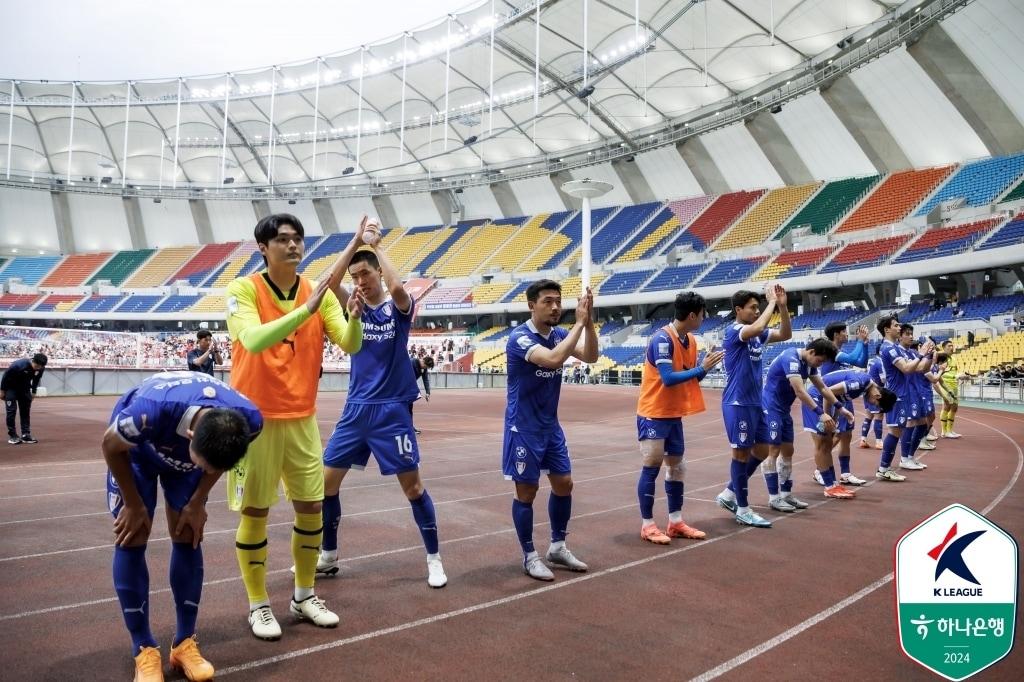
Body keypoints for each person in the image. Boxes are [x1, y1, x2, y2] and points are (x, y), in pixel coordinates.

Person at [226, 213, 363, 640]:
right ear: (263, 248)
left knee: (311, 509)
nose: (293, 245)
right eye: (282, 239)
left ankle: (304, 596)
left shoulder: (318, 294)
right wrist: (304, 310)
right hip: (254, 421)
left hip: (302, 419)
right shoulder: (243, 289)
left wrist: (354, 316)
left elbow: (349, 343)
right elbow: (252, 340)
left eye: (298, 239)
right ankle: (258, 604)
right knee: (256, 512)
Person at [104, 371, 262, 682]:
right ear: (190, 435)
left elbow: (216, 463)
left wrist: (198, 500)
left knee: (189, 533)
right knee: (132, 534)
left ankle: (184, 643)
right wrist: (133, 504)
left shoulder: (250, 421)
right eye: (204, 465)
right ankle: (143, 648)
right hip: (135, 454)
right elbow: (110, 446)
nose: (208, 471)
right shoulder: (148, 410)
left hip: (185, 462)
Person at [319, 219, 447, 588]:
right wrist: (356, 241)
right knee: (326, 485)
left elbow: (395, 286)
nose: (360, 281)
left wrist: (376, 246)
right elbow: (330, 282)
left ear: (377, 269)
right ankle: (328, 554)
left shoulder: (398, 309)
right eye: (356, 275)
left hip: (391, 411)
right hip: (356, 409)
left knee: (414, 489)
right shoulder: (353, 307)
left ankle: (434, 559)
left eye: (365, 274)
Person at [504, 279, 598, 580]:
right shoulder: (519, 338)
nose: (556, 306)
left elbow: (592, 356)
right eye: (547, 301)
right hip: (523, 428)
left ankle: (557, 546)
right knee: (527, 491)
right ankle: (529, 555)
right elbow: (554, 359)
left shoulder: (558, 333)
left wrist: (589, 323)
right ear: (532, 305)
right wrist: (578, 325)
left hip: (550, 426)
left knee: (564, 484)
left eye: (558, 300)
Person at [635, 292, 724, 545]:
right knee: (651, 465)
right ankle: (648, 525)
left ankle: (675, 522)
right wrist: (702, 368)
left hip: (674, 413)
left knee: (677, 467)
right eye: (704, 313)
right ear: (693, 315)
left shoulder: (692, 341)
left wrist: (704, 368)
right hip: (654, 412)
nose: (705, 318)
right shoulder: (662, 339)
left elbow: (692, 377)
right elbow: (668, 378)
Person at [714, 284, 792, 528]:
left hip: (755, 402)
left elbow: (785, 334)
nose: (757, 312)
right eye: (752, 308)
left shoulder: (757, 334)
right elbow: (758, 326)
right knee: (740, 453)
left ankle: (728, 494)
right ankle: (743, 509)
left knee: (761, 450)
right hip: (738, 402)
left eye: (758, 308)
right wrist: (771, 303)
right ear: (738, 310)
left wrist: (783, 306)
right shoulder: (735, 330)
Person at [758, 338, 844, 512]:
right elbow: (800, 391)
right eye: (819, 361)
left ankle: (786, 494)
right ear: (811, 352)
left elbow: (823, 387)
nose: (819, 365)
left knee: (788, 451)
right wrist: (820, 413)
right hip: (771, 408)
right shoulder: (791, 359)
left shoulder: (809, 363)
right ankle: (774, 498)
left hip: (783, 410)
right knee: (773, 451)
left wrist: (840, 407)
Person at [804, 369, 897, 498]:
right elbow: (827, 392)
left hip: (823, 399)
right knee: (823, 444)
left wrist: (834, 419)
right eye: (875, 404)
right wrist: (827, 416)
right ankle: (829, 486)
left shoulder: (864, 386)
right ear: (878, 396)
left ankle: (832, 484)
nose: (871, 405)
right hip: (816, 398)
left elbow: (837, 399)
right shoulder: (858, 384)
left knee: (828, 441)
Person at [874, 317, 935, 481]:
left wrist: (927, 356)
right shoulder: (888, 349)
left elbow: (920, 368)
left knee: (897, 431)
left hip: (903, 394)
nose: (899, 327)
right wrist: (921, 354)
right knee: (894, 431)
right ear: (887, 330)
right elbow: (907, 368)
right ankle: (884, 468)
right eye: (896, 325)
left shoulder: (896, 349)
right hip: (896, 395)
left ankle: (887, 467)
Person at [815, 322, 869, 486]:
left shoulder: (841, 353)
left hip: (843, 397)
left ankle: (845, 473)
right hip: (830, 397)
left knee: (846, 435)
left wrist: (865, 345)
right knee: (830, 436)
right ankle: (820, 468)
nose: (847, 334)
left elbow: (861, 363)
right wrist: (860, 340)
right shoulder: (831, 351)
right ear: (836, 334)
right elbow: (853, 358)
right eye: (844, 332)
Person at [2, 352, 47, 444]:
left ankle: (26, 435)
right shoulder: (19, 365)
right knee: (11, 412)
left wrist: (34, 392)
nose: (38, 368)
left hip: (25, 390)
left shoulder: (41, 368)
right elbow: (5, 377)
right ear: (33, 361)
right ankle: (13, 436)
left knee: (25, 412)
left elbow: (36, 380)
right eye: (36, 365)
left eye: (40, 366)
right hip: (11, 389)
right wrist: (2, 391)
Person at [858, 348, 886, 450]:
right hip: (875, 392)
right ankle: (878, 442)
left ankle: (863, 439)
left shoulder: (870, 360)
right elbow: (883, 379)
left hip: (866, 391)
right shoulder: (880, 362)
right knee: (879, 417)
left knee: (868, 416)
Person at [936, 341, 963, 438]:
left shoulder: (954, 359)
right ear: (943, 348)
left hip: (954, 385)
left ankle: (950, 430)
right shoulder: (941, 358)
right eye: (949, 346)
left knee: (955, 407)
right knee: (947, 405)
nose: (951, 347)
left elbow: (955, 372)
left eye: (952, 345)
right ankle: (944, 431)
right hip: (945, 384)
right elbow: (939, 373)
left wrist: (960, 377)